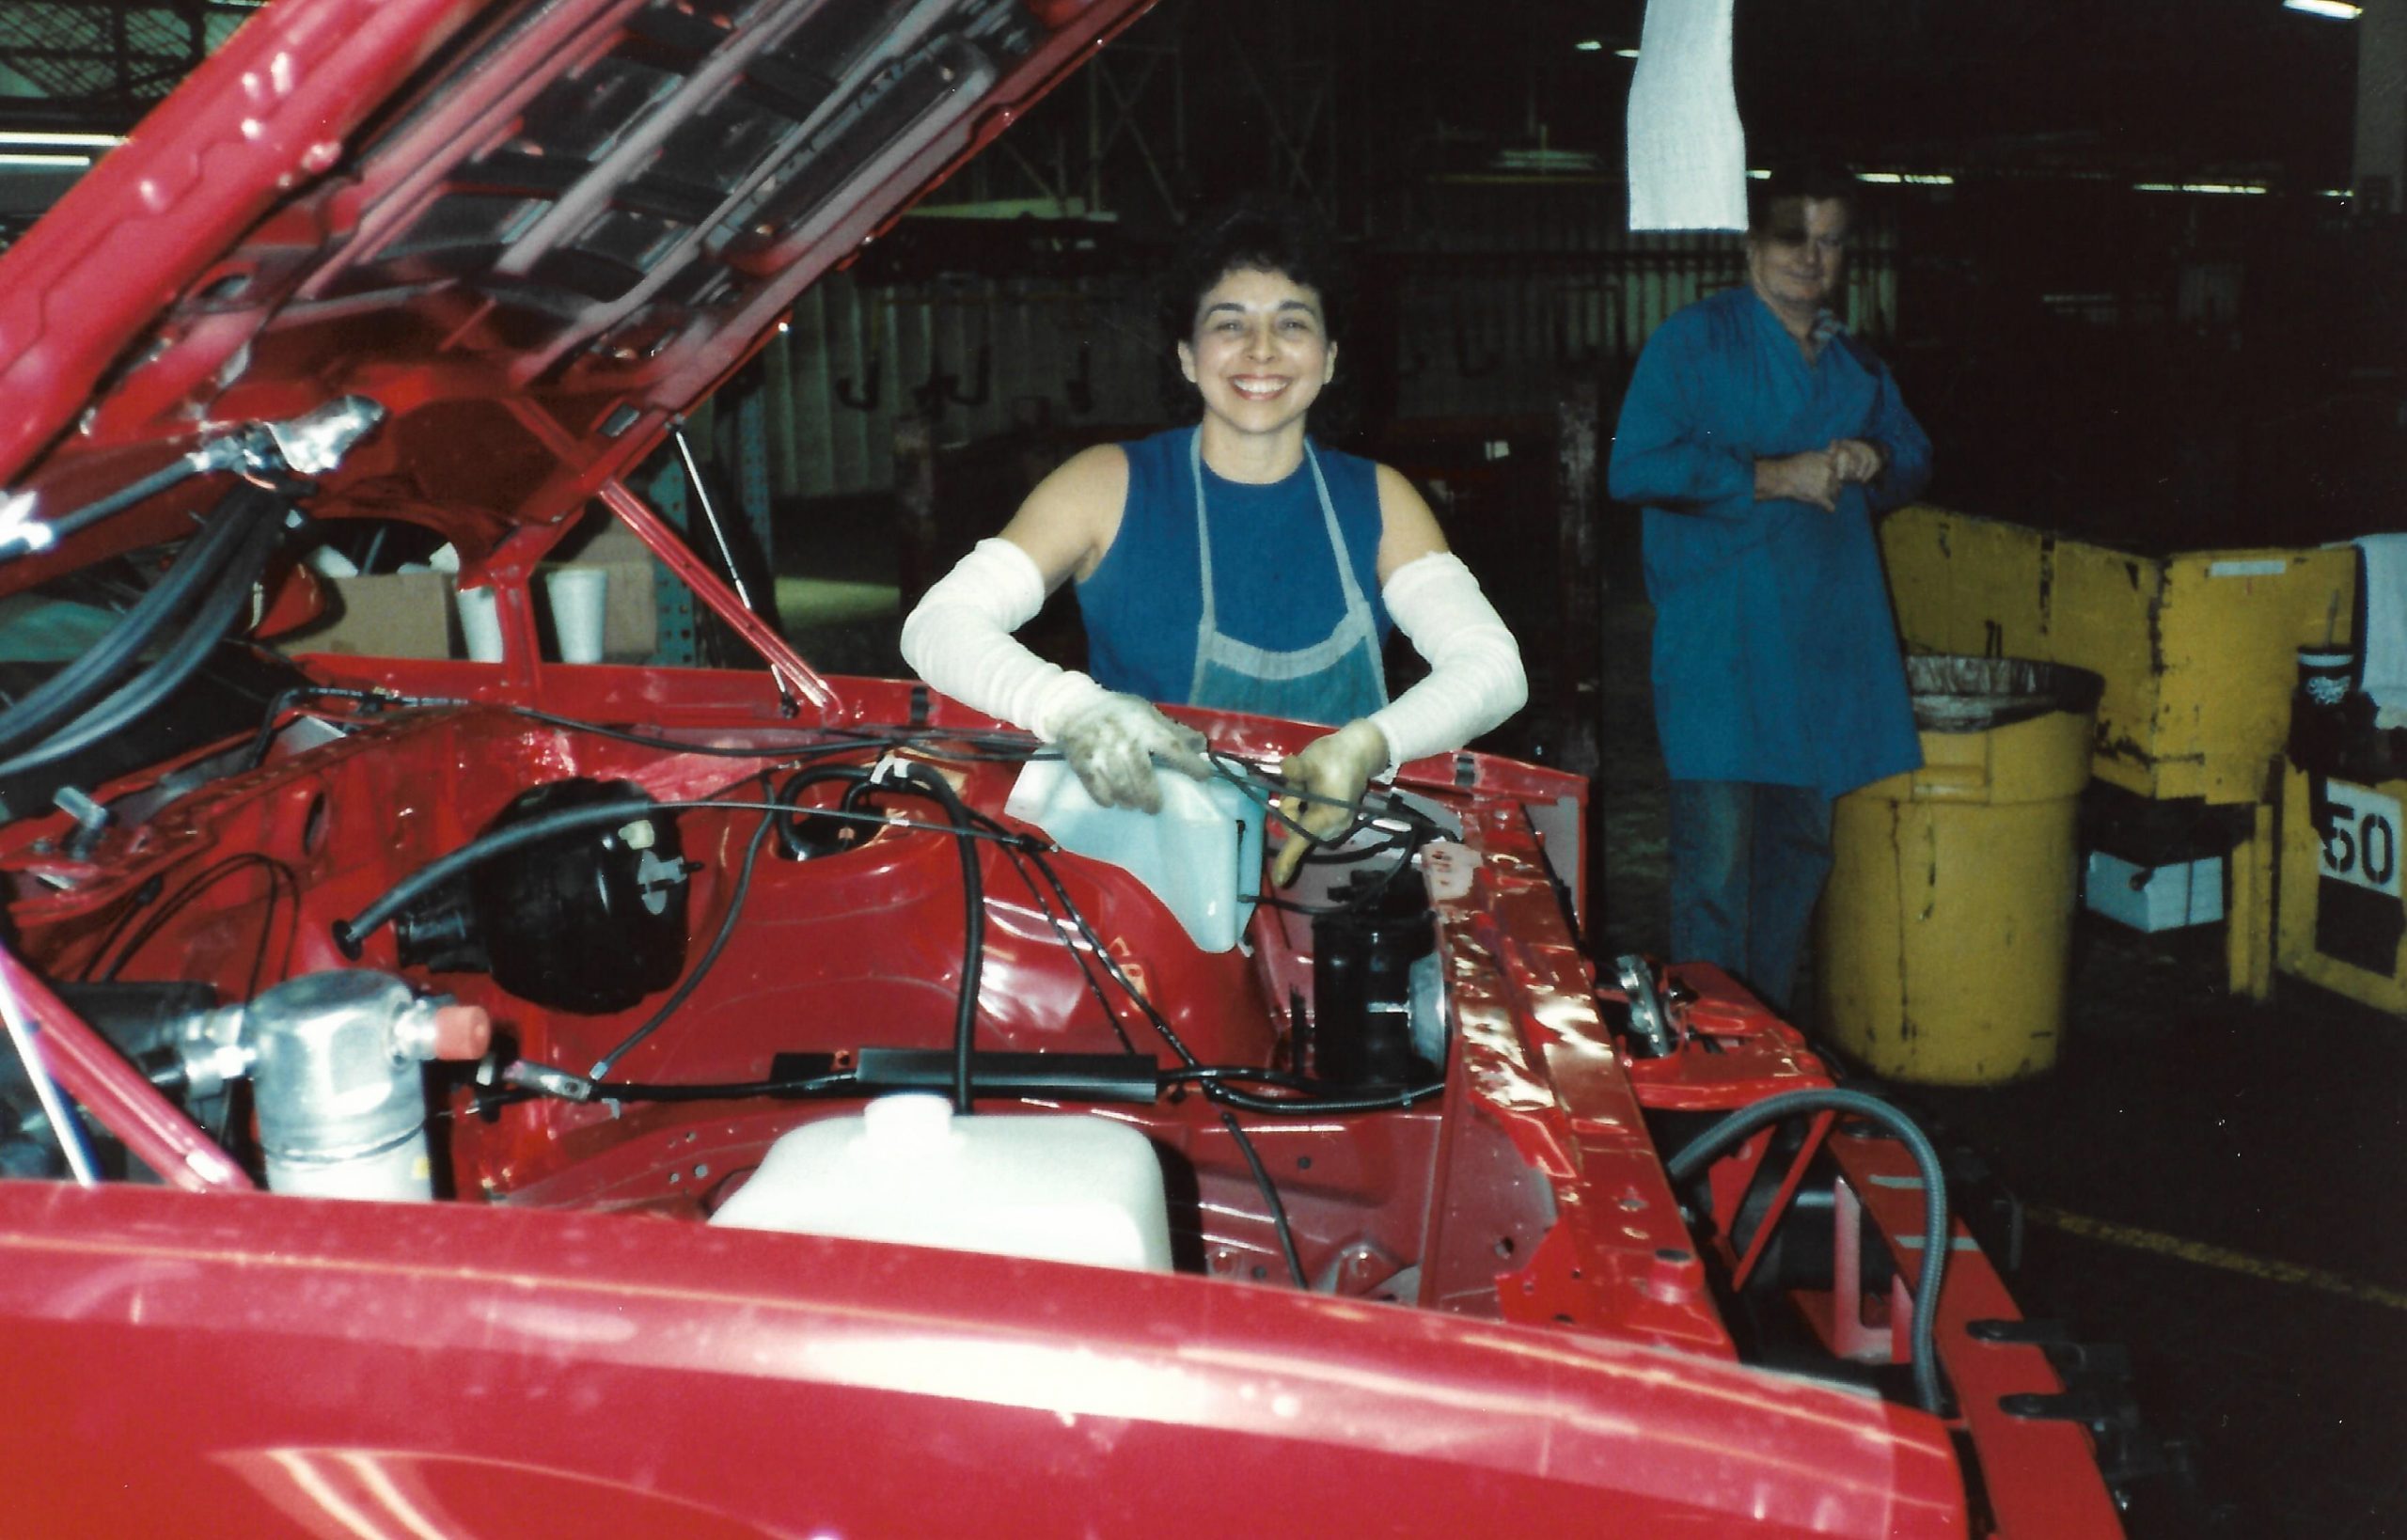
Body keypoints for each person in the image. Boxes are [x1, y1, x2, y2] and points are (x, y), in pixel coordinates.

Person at [903, 197, 1525, 885]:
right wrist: (1074, 710)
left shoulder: (1380, 499)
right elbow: (938, 625)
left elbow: (1494, 668)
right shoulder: (1106, 486)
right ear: (1187, 357)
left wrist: (1372, 745)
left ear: (1329, 358)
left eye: (1292, 324)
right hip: (1142, 864)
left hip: (1332, 856)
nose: (1262, 350)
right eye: (1230, 325)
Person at [1606, 163, 1932, 1014]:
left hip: (1824, 649)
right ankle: (1711, 1065)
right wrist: (1769, 476)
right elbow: (1635, 464)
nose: (1811, 258)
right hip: (1724, 648)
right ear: (1752, 242)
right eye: (1794, 237)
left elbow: (1916, 458)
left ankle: (1771, 1044)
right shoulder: (1695, 342)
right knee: (1714, 870)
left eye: (1830, 241)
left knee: (1798, 856)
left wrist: (1879, 459)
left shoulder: (1855, 361)